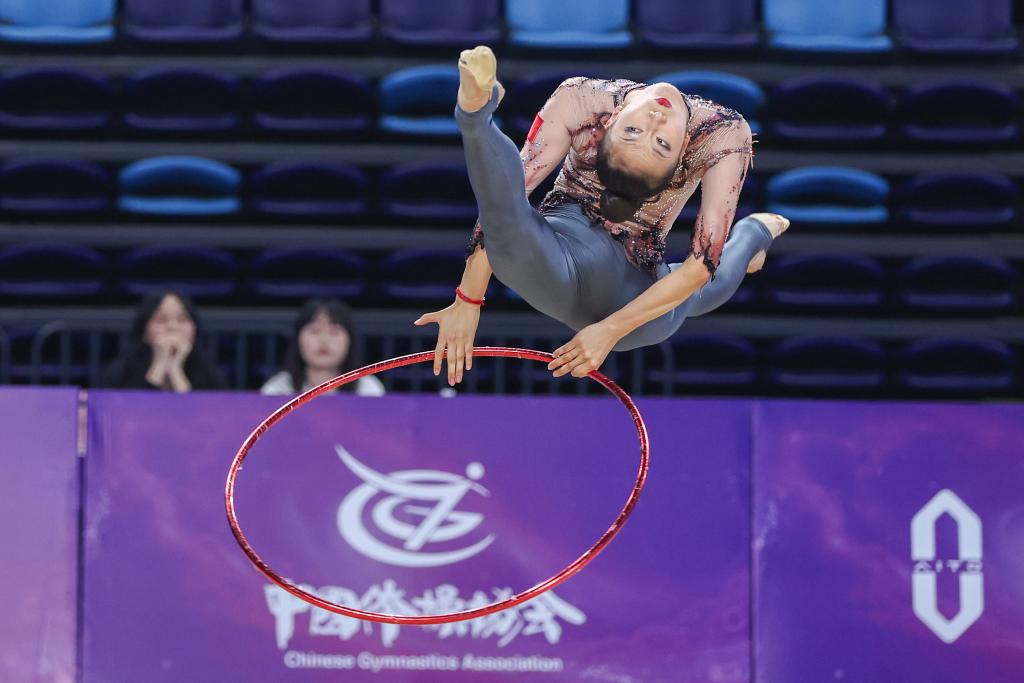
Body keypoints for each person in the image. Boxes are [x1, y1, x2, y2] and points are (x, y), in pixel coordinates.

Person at [415, 46, 790, 386]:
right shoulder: (581, 98)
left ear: (683, 153)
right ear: (609, 122)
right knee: (509, 224)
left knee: (700, 288)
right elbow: (506, 201)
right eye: (633, 131)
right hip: (559, 252)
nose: (655, 120)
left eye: (662, 144)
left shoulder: (722, 134)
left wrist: (609, 331)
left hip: (636, 287)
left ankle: (753, 233)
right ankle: (475, 115)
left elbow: (699, 267)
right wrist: (468, 299)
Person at [99, 290, 227, 392]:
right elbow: (138, 410)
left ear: (194, 328)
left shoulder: (211, 375)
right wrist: (159, 365)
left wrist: (176, 370)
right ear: (144, 332)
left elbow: (196, 412)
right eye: (161, 320)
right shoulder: (121, 373)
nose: (172, 327)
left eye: (182, 319)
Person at [262, 298, 385, 397]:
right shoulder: (278, 389)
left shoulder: (367, 390)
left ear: (350, 340)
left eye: (334, 332)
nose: (324, 340)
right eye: (315, 331)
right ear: (298, 339)